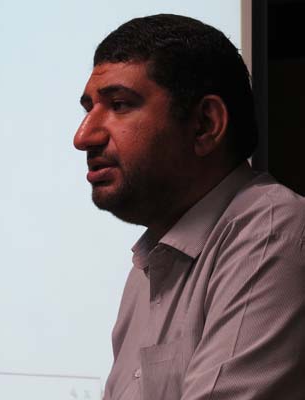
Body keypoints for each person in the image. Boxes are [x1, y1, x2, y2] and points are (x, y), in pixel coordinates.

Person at [73, 14, 305, 400]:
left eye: (119, 105)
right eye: (88, 109)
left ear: (204, 125)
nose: (83, 136)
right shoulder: (149, 267)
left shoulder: (271, 235)